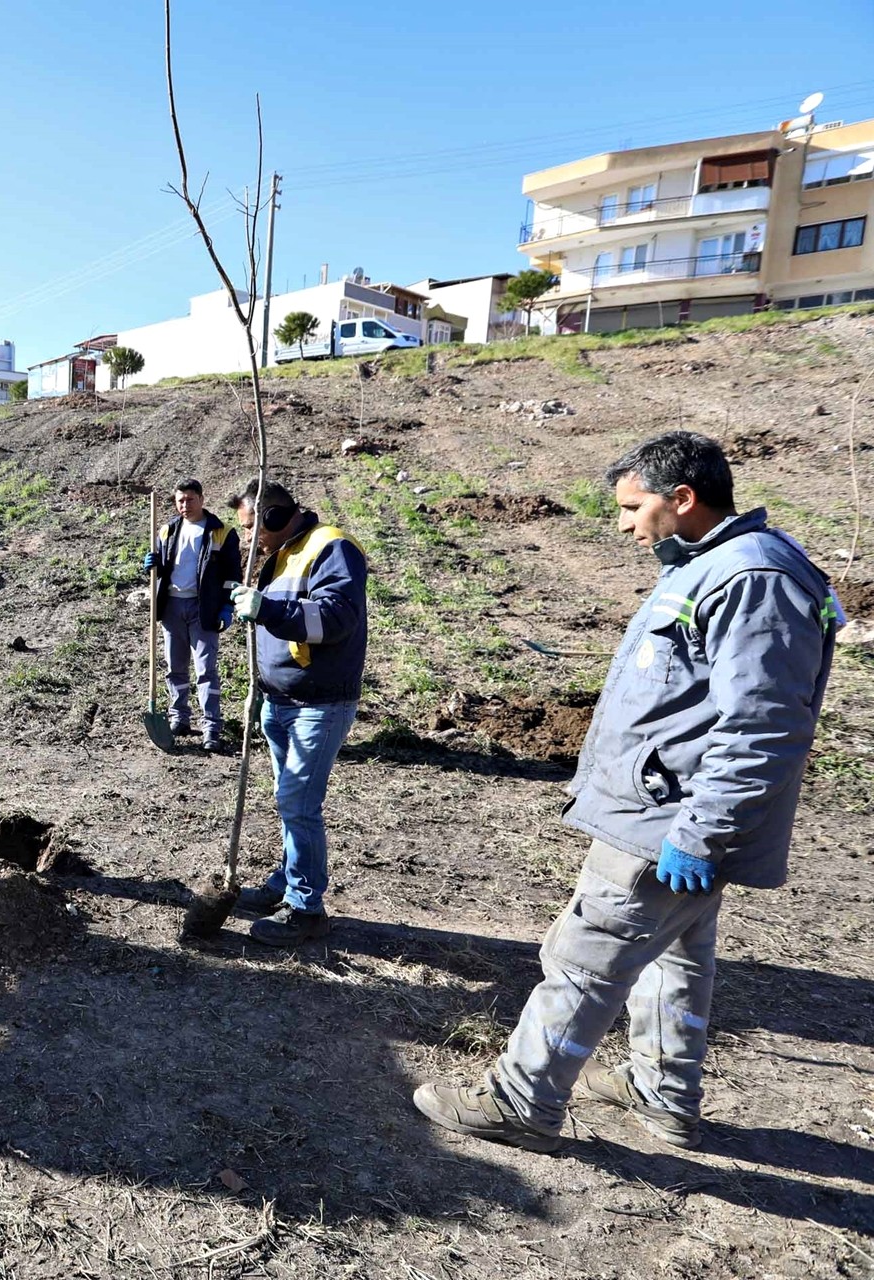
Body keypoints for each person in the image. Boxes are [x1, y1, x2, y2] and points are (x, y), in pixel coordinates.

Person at [413, 432, 841, 1152]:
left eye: (632, 507)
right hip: (669, 815)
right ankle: (662, 1094)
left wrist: (699, 833)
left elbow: (764, 727)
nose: (623, 524)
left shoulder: (751, 579)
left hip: (666, 825)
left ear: (683, 498)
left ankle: (523, 1099)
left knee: (584, 959)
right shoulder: (712, 565)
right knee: (677, 960)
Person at [227, 478, 369, 946]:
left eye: (251, 529)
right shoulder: (282, 555)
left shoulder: (332, 548)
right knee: (289, 801)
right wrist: (260, 687)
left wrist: (265, 608)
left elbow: (332, 620)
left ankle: (307, 911)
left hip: (319, 705)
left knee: (298, 803)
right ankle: (286, 880)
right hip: (279, 700)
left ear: (271, 516)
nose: (248, 540)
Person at [141, 478, 243, 752]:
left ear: (201, 499)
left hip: (204, 609)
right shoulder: (167, 531)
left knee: (205, 670)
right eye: (180, 500)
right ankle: (179, 717)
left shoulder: (221, 533)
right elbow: (161, 569)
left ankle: (211, 727)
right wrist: (151, 565)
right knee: (175, 667)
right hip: (172, 606)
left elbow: (232, 575)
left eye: (190, 499)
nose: (185, 505)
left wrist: (227, 606)